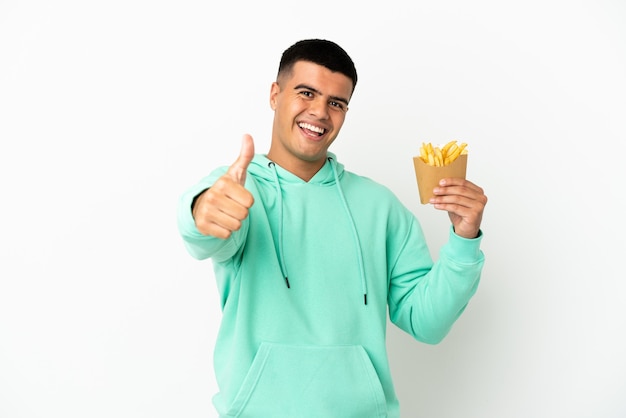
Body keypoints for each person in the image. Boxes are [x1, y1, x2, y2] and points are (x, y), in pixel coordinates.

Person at [177, 38, 487, 418]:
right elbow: (204, 227)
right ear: (275, 95)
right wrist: (202, 211)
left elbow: (427, 323)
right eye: (306, 93)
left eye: (336, 103)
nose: (320, 112)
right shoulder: (238, 189)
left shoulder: (380, 206)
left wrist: (464, 240)